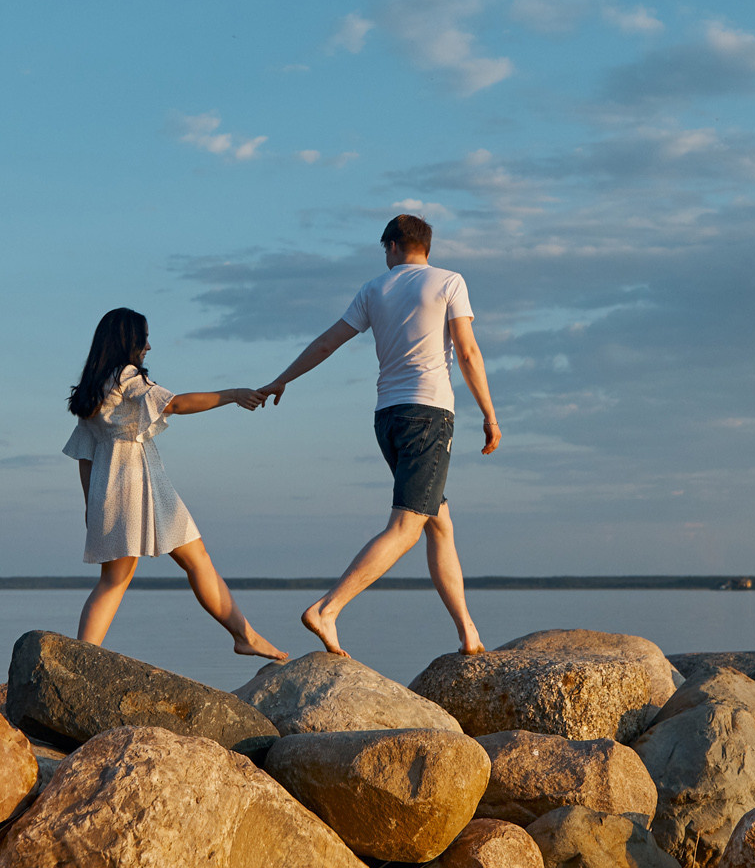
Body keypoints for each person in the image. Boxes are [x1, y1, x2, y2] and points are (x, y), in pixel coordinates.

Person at [256, 213, 498, 657]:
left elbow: (328, 342)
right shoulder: (449, 281)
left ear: (391, 246)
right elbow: (466, 350)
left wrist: (281, 379)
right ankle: (328, 609)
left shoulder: (374, 289)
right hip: (429, 414)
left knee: (438, 522)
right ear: (427, 247)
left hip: (387, 417)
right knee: (407, 525)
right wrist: (490, 413)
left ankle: (469, 634)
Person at [62, 307, 286, 660]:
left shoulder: (95, 387)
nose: (148, 346)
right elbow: (175, 404)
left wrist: (91, 505)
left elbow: (85, 455)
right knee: (175, 565)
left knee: (139, 573)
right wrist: (233, 394)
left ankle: (244, 634)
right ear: (127, 341)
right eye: (143, 338)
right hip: (137, 482)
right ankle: (244, 636)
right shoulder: (125, 375)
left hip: (114, 486)